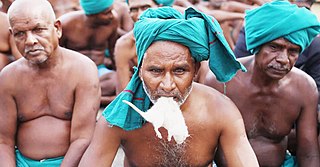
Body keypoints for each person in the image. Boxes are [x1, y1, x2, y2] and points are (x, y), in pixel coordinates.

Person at [79, 7, 259, 166]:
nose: (167, 85)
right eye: (155, 71)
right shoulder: (119, 118)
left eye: (180, 71)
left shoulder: (221, 111)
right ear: (139, 70)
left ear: (196, 69)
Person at [205, 1, 320, 166]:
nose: (283, 59)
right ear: (257, 46)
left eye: (293, 51)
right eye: (274, 47)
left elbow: (308, 154)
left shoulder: (304, 88)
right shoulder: (221, 80)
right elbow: (203, 147)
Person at [0, 0, 101, 166]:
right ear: (12, 35)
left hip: (70, 162)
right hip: (21, 162)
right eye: (20, 34)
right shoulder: (9, 77)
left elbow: (82, 139)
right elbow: (4, 141)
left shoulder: (83, 70)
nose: (30, 41)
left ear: (57, 28)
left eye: (38, 29)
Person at [59, 0, 119, 106]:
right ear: (92, 14)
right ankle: (105, 99)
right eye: (106, 13)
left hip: (99, 72)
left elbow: (113, 49)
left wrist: (118, 72)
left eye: (111, 10)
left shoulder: (113, 21)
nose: (111, 15)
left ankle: (81, 98)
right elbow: (56, 53)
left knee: (115, 80)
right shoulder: (66, 24)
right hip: (73, 73)